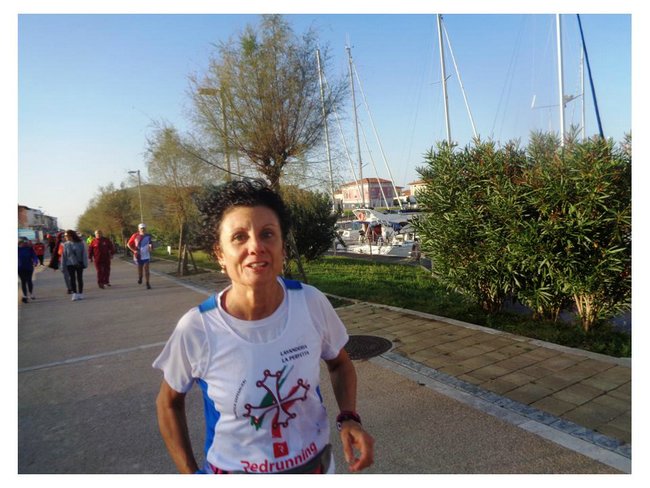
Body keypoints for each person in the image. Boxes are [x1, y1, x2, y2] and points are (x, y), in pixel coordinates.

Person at [153, 179, 374, 475]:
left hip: (315, 468)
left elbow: (340, 364)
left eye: (267, 234)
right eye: (239, 237)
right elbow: (168, 403)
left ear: (282, 246)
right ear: (219, 253)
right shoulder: (198, 328)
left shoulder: (310, 302)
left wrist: (349, 417)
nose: (256, 247)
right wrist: (190, 474)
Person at [62, 230, 88, 301]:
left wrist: (84, 263)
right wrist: (63, 266)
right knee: (72, 279)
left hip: (79, 263)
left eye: (66, 236)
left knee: (79, 278)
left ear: (71, 235)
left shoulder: (80, 243)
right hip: (69, 264)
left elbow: (84, 254)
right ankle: (74, 294)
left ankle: (80, 293)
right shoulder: (65, 244)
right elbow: (64, 256)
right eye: (65, 236)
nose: (65, 237)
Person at [127, 223, 154, 289]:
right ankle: (140, 277)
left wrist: (151, 248)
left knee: (147, 270)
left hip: (146, 255)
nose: (143, 229)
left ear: (145, 229)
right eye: (141, 228)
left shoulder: (148, 236)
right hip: (138, 255)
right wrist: (134, 250)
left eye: (144, 228)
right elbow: (128, 244)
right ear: (138, 229)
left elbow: (150, 244)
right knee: (140, 270)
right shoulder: (135, 235)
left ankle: (147, 283)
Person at [18, 237, 39, 303]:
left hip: (29, 267)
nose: (25, 243)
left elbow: (34, 256)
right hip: (20, 268)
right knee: (23, 281)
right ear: (20, 243)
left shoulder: (29, 249)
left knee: (29, 280)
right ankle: (25, 296)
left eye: (26, 242)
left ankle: (31, 293)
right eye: (24, 242)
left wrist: (35, 262)